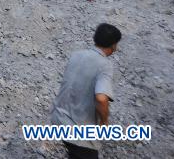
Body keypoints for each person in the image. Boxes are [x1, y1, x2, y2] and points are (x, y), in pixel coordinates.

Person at [50, 23, 122, 159]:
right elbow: (101, 98)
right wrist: (104, 122)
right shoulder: (105, 65)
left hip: (58, 118)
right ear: (113, 45)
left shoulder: (76, 55)